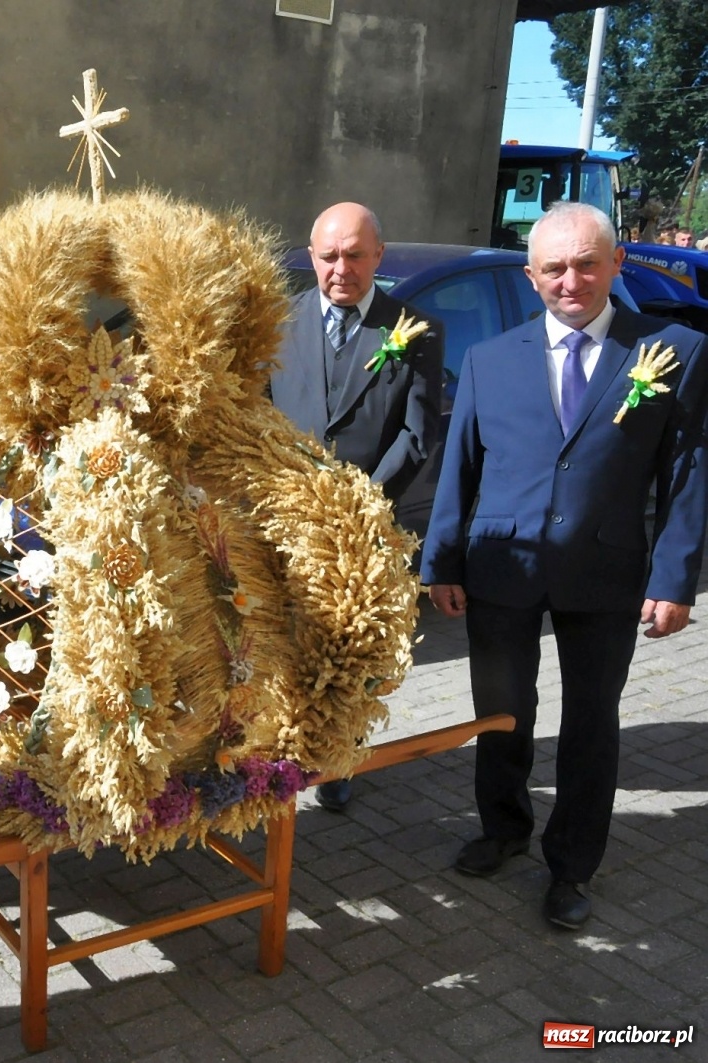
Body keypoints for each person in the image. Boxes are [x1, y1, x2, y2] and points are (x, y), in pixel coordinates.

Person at [421, 201, 708, 930]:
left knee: (590, 723)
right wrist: (441, 561)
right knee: (503, 711)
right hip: (500, 566)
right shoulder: (491, 359)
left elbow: (687, 472)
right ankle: (503, 826)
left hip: (605, 572)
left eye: (586, 263)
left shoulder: (671, 350)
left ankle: (572, 864)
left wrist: (674, 580)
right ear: (531, 276)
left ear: (615, 265)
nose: (570, 280)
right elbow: (461, 467)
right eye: (553, 267)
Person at [269, 202, 444, 813]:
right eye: (329, 255)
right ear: (312, 257)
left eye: (354, 255)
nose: (341, 268)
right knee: (286, 642)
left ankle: (340, 753)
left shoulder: (414, 329)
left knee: (350, 649)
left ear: (379, 255)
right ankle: (281, 750)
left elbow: (417, 434)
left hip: (368, 523)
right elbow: (259, 420)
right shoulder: (278, 323)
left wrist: (362, 499)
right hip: (287, 519)